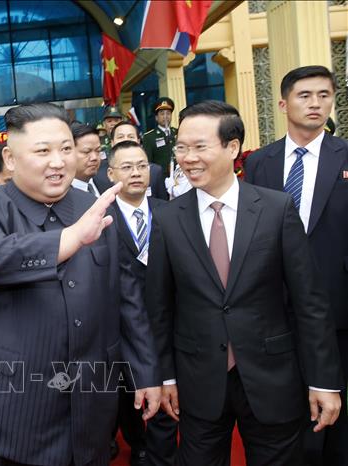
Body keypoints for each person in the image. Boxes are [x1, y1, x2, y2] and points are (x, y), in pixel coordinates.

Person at [0, 103, 160, 465]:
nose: (58, 161)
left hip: (88, 412)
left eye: (66, 149)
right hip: (7, 415)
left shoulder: (97, 207)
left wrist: (146, 373)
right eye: (43, 151)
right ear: (11, 158)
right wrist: (72, 238)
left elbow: (126, 298)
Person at [147, 101, 343, 465]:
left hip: (273, 376)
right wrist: (166, 376)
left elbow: (309, 302)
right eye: (182, 147)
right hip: (198, 379)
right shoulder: (168, 218)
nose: (188, 158)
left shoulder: (276, 209)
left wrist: (323, 381)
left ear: (232, 147)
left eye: (200, 147)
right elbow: (159, 308)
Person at [244, 65, 348, 466]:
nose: (316, 103)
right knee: (284, 410)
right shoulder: (259, 163)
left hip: (338, 303)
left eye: (324, 95)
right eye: (305, 95)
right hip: (275, 305)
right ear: (285, 103)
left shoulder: (344, 156)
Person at [106, 140, 170, 465]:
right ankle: (138, 444)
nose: (136, 173)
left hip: (168, 326)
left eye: (142, 166)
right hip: (121, 330)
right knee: (126, 395)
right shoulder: (101, 220)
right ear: (111, 173)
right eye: (127, 167)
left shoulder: (170, 212)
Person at [142, 98, 177, 177]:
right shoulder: (149, 137)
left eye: (168, 113)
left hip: (179, 177)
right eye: (162, 113)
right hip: (160, 178)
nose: (165, 116)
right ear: (156, 118)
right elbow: (148, 162)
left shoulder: (177, 132)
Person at [70, 122, 102, 197]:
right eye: (86, 152)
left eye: (98, 151)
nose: (94, 157)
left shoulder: (107, 184)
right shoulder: (59, 195)